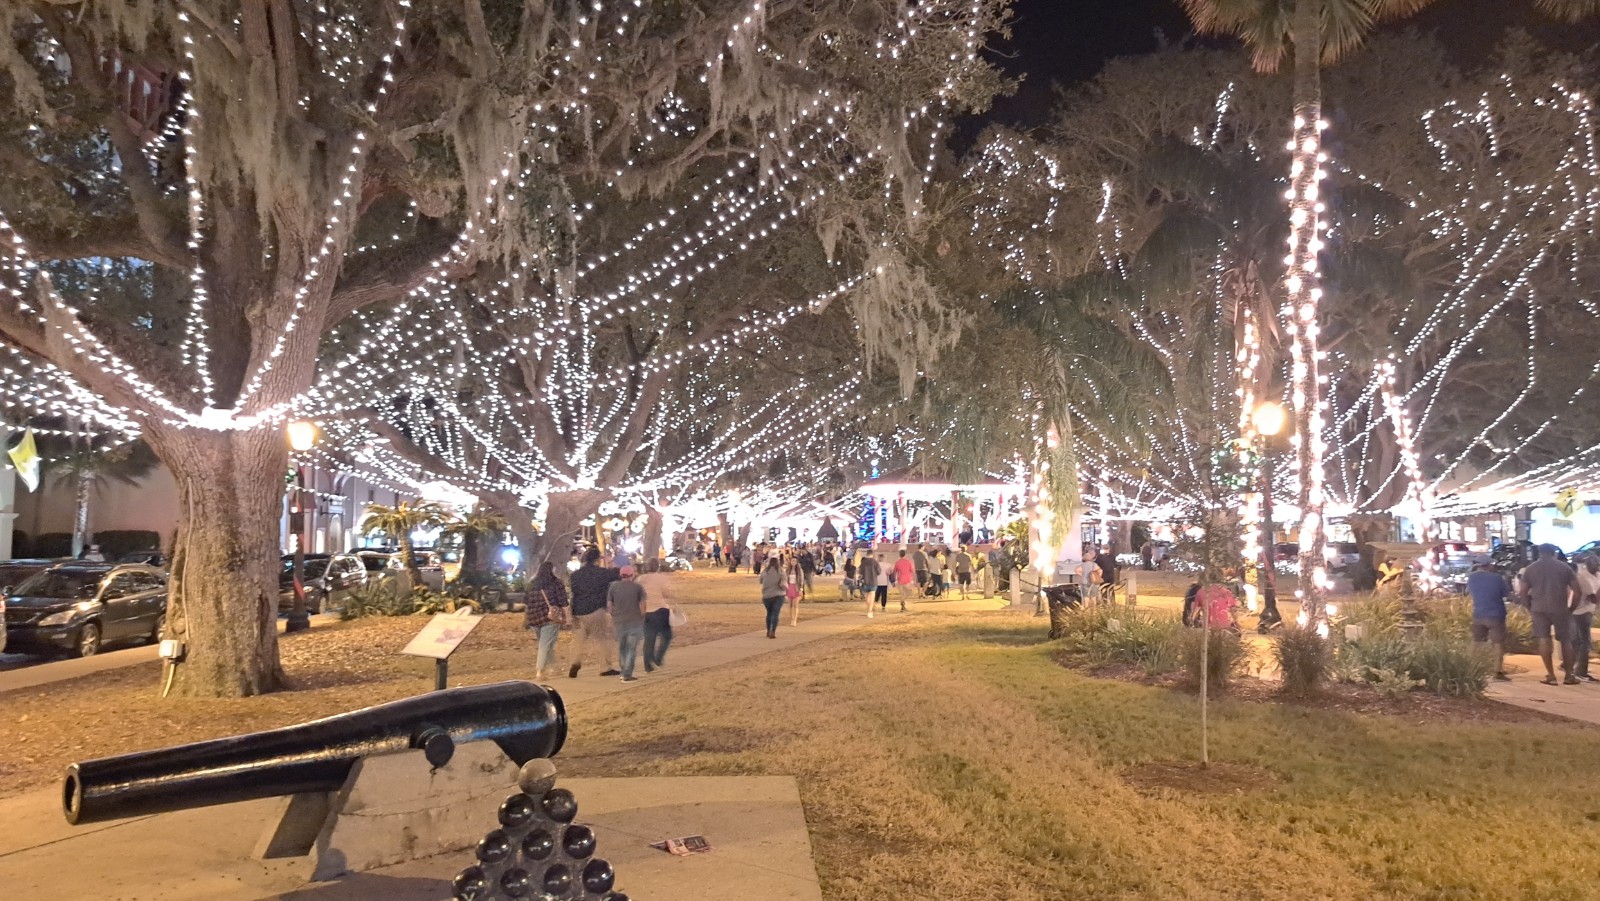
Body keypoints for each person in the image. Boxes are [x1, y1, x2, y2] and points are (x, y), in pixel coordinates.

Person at [1520, 543, 1579, 686]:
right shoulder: (1564, 567)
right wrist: (1571, 608)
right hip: (1560, 608)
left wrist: (1529, 606)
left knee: (1544, 639)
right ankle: (1569, 675)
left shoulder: (1531, 568)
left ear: (1539, 553)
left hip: (1539, 608)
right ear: (1554, 553)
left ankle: (1551, 676)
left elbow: (1523, 592)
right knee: (1566, 641)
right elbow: (1577, 590)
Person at [568, 548, 621, 678]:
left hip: (578, 610)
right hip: (596, 609)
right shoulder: (601, 573)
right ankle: (605, 667)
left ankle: (575, 662)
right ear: (598, 559)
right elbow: (618, 574)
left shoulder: (575, 575)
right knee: (604, 638)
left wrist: (572, 612)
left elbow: (573, 593)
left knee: (579, 640)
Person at [1466, 562, 1512, 682]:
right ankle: (1497, 671)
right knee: (1498, 643)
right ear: (1488, 565)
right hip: (1496, 615)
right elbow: (1506, 594)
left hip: (1478, 614)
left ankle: (1471, 668)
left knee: (1477, 642)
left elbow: (1468, 592)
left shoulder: (1472, 578)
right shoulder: (1497, 578)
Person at [524, 561, 570, 681]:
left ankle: (553, 668)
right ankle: (540, 671)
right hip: (550, 617)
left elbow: (526, 601)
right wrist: (567, 618)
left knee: (545, 644)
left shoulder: (532, 584)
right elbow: (563, 601)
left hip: (534, 617)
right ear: (552, 570)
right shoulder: (556, 583)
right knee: (545, 645)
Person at [606, 565, 647, 682]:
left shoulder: (613, 586)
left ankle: (623, 670)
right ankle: (627, 674)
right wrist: (643, 616)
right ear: (632, 574)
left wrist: (614, 615)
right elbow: (643, 605)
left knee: (622, 647)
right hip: (634, 621)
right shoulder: (638, 587)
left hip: (618, 621)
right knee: (631, 648)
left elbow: (609, 605)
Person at [1574, 555, 1600, 682]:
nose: (1598, 567)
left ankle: (1575, 666)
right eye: (1596, 564)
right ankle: (1581, 672)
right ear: (1588, 565)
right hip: (1581, 612)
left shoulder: (1596, 575)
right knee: (1585, 642)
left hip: (1589, 610)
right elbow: (1594, 598)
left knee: (1581, 641)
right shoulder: (1582, 577)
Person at [759, 556, 786, 638]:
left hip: (766, 595)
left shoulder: (765, 571)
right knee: (775, 613)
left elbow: (760, 581)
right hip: (778, 594)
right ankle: (772, 631)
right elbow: (784, 581)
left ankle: (768, 630)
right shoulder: (781, 571)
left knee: (769, 613)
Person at [857, 553, 880, 617]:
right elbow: (879, 572)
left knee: (867, 598)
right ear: (872, 555)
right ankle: (870, 611)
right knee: (872, 597)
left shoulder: (863, 562)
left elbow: (860, 572)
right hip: (873, 582)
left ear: (867, 554)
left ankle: (869, 608)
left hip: (865, 582)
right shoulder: (875, 562)